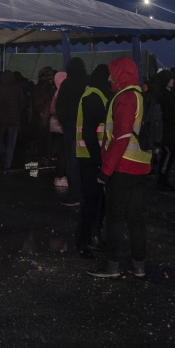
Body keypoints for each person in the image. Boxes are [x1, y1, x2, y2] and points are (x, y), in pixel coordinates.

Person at [86, 57, 151, 279]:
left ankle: (112, 265)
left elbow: (120, 137)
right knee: (135, 218)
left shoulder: (123, 98)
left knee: (115, 218)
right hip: (140, 165)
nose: (109, 76)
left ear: (120, 74)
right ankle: (138, 265)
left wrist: (106, 171)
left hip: (122, 167)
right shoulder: (139, 96)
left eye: (112, 72)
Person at [75, 63, 110, 257]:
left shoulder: (97, 94)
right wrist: (98, 160)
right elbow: (89, 132)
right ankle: (84, 240)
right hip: (91, 157)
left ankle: (92, 237)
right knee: (91, 202)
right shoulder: (94, 96)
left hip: (93, 156)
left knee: (97, 202)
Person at [55, 58, 89, 206]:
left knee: (72, 161)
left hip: (72, 125)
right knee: (88, 161)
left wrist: (65, 122)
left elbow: (60, 107)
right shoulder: (88, 81)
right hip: (89, 125)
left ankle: (74, 196)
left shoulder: (67, 84)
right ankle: (88, 194)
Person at [154, 70, 175, 191]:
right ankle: (162, 177)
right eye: (170, 78)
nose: (173, 80)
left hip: (171, 128)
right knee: (169, 152)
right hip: (166, 129)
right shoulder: (161, 95)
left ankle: (163, 176)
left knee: (170, 153)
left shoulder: (170, 93)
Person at [0, 70, 26, 170]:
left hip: (1, 120)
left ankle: (3, 152)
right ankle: (8, 164)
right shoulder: (18, 90)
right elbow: (22, 105)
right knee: (11, 143)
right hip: (14, 120)